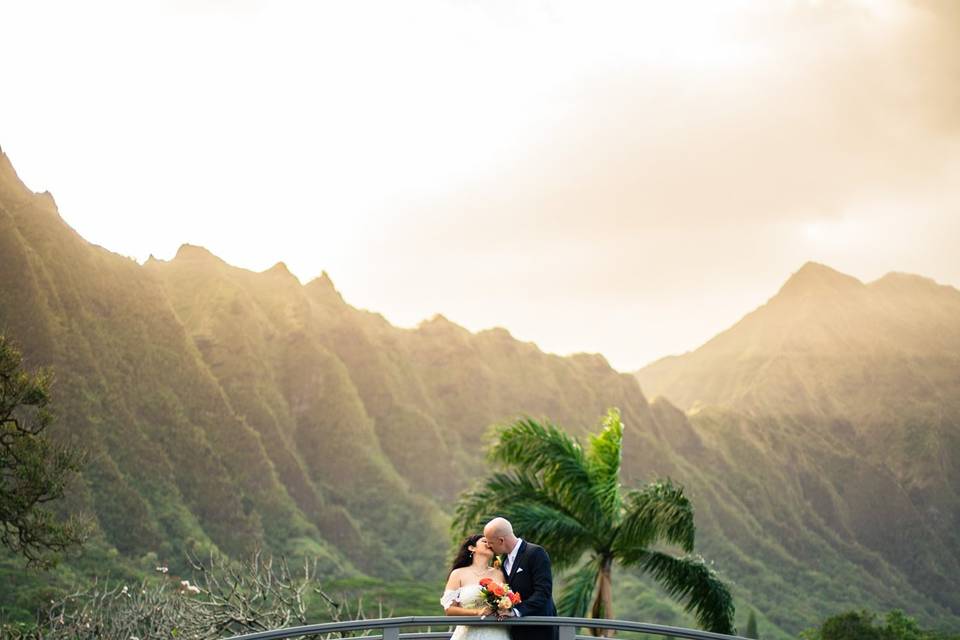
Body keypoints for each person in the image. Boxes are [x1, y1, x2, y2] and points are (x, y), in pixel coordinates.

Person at [483, 517, 558, 640]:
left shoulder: (535, 553)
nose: (488, 547)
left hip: (540, 628)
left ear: (501, 540)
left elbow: (543, 592)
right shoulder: (504, 562)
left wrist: (516, 611)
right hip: (517, 631)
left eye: (490, 543)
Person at [441, 534, 511, 640]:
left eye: (491, 543)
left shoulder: (500, 574)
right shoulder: (458, 574)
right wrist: (477, 612)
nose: (489, 544)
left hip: (497, 632)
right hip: (469, 633)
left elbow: (509, 601)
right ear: (472, 548)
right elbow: (449, 609)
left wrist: (504, 608)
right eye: (484, 541)